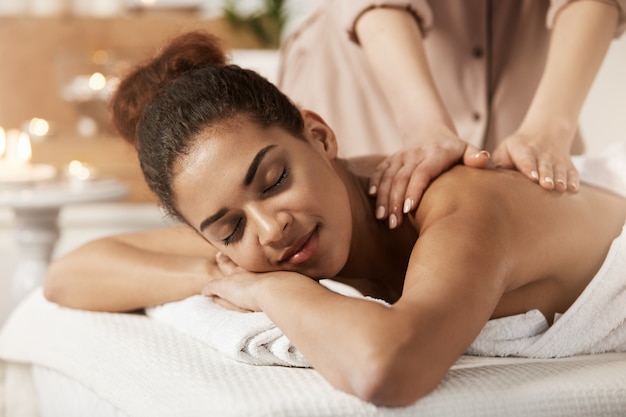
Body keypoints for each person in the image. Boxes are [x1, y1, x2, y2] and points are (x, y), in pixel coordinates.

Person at [44, 31, 626, 406]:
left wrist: (271, 293)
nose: (270, 228)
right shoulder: (260, 242)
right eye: (230, 229)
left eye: (274, 180)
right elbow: (71, 274)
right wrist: (219, 277)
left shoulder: (464, 208)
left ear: (319, 135)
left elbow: (388, 369)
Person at [278, 0, 626, 229]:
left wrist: (551, 129)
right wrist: (424, 127)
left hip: (527, 70)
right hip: (377, 57)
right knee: (366, 233)